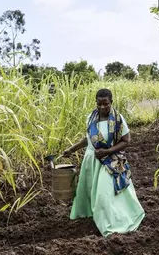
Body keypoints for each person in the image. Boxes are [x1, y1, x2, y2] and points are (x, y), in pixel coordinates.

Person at [62, 88, 145, 236]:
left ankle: (110, 224)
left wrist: (107, 151)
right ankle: (91, 217)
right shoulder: (91, 118)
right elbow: (87, 139)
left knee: (103, 194)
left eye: (105, 104)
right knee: (90, 190)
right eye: (99, 104)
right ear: (96, 103)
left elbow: (126, 141)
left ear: (111, 102)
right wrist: (71, 150)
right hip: (91, 160)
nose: (102, 107)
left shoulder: (118, 119)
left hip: (110, 161)